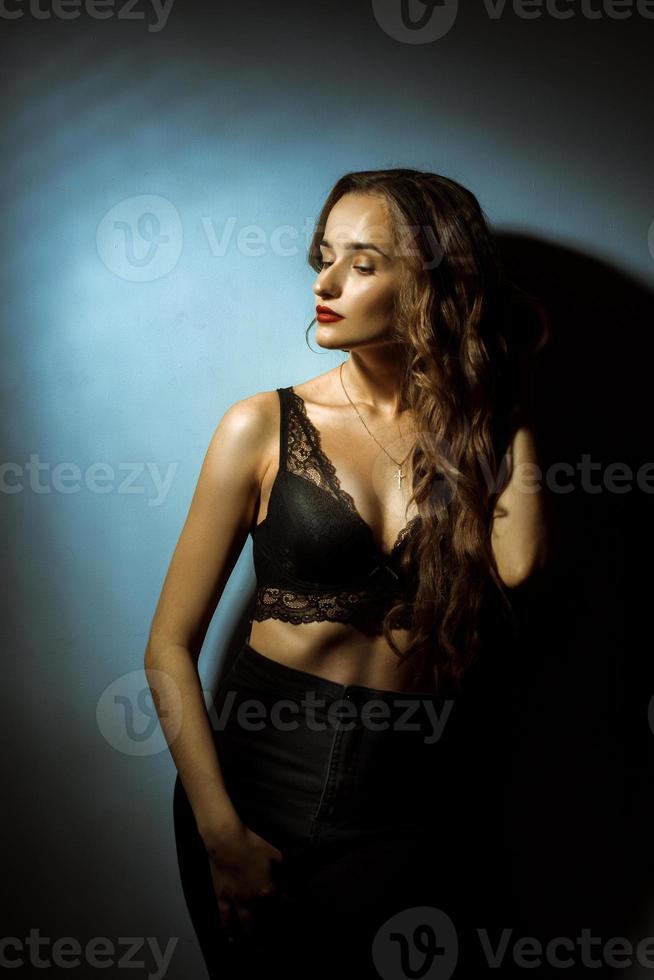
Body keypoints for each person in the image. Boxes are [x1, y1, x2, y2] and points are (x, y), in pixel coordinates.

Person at [144, 168, 550, 979]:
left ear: (435, 281)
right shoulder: (260, 425)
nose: (324, 283)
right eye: (324, 257)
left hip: (412, 808)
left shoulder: (480, 438)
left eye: (363, 264)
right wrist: (221, 835)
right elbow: (167, 648)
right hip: (259, 794)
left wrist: (495, 402)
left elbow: (519, 564)